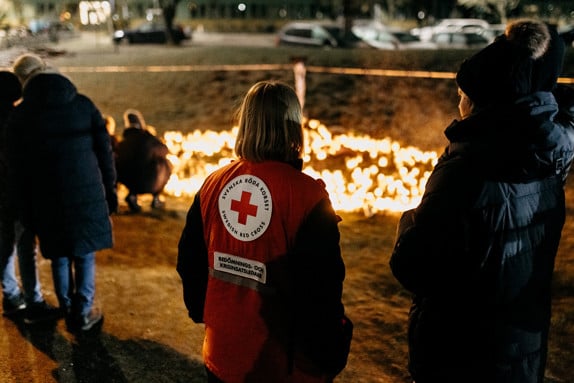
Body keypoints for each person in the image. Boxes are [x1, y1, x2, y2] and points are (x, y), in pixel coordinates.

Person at [389, 20, 574, 383]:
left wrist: (409, 221)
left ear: (480, 102)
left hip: (459, 353)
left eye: (462, 94)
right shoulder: (547, 161)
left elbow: (414, 266)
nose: (458, 101)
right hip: (520, 350)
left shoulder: (465, 171)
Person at [177, 81, 352, 383]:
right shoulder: (308, 196)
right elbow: (321, 290)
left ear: (245, 124)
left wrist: (204, 311)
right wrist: (329, 353)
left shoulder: (212, 185)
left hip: (222, 354)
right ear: (294, 128)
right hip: (283, 364)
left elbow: (189, 261)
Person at [5, 53, 118, 333]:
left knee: (59, 256)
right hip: (87, 195)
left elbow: (17, 168)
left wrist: (26, 208)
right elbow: (105, 152)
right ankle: (82, 312)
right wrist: (111, 190)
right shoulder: (83, 105)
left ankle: (67, 308)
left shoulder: (21, 115)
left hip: (47, 198)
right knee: (84, 255)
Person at [0, 70, 60, 324]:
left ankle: (12, 295)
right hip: (15, 193)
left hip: (4, 195)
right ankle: (33, 301)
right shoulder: (15, 120)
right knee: (24, 247)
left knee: (5, 246)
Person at [115, 109, 172, 212]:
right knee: (165, 163)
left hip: (133, 183)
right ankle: (156, 197)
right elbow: (165, 150)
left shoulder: (124, 143)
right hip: (154, 183)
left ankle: (132, 195)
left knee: (122, 163)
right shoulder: (150, 139)